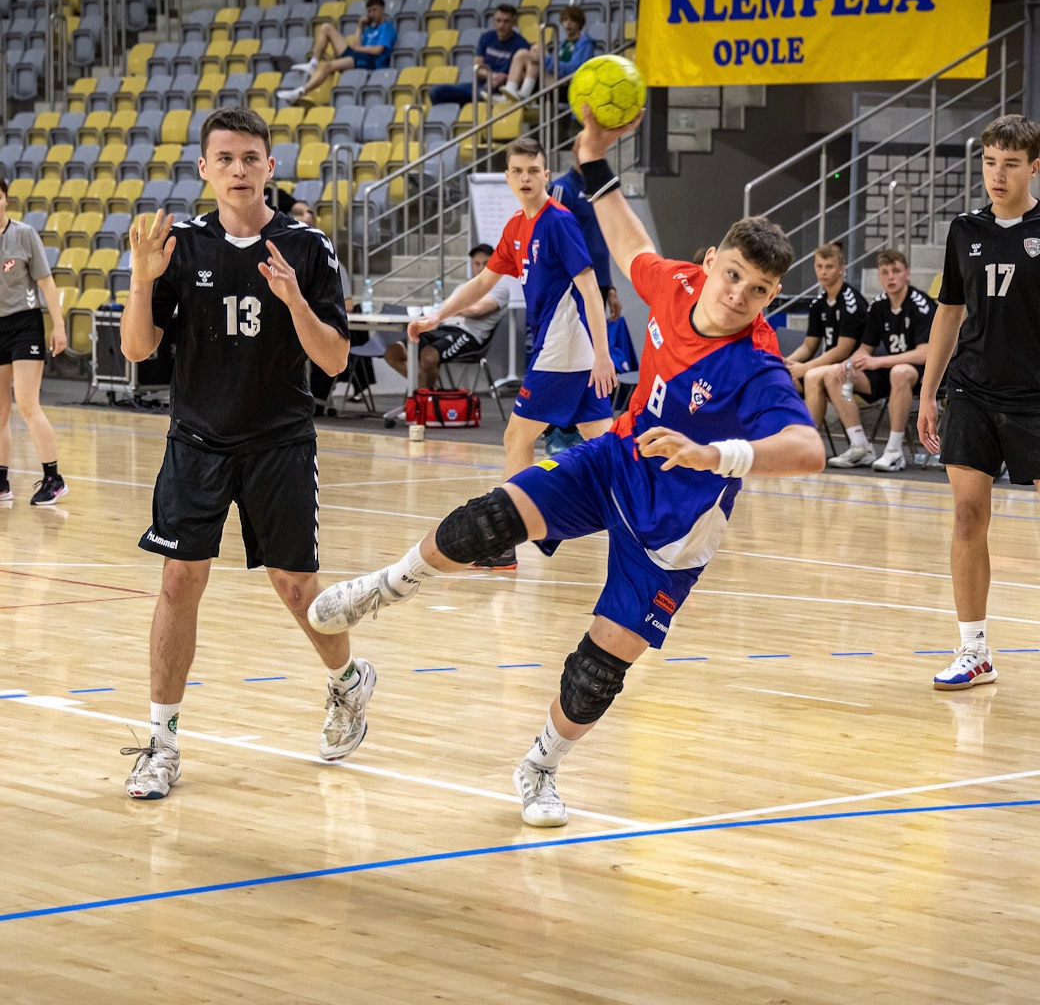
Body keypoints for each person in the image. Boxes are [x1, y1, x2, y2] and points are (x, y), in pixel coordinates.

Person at [305, 108, 825, 828]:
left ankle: (540, 765)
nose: (739, 295)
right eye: (733, 275)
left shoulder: (757, 365)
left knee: (599, 668)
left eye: (758, 289)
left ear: (771, 298)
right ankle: (384, 588)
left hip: (675, 527)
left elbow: (810, 451)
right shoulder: (674, 285)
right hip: (616, 460)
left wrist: (716, 456)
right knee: (488, 521)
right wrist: (591, 156)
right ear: (710, 262)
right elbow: (627, 237)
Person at [118, 107, 368, 800]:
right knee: (178, 582)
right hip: (196, 440)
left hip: (279, 442)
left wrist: (292, 300)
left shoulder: (308, 248)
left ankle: (348, 683)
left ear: (270, 166)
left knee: (295, 589)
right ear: (204, 169)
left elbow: (337, 360)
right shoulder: (181, 247)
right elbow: (138, 351)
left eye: (249, 157)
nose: (237, 169)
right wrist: (141, 279)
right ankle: (161, 744)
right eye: (224, 158)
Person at [407, 135, 615, 569]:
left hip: (565, 346)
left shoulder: (558, 221)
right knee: (607, 444)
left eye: (533, 170)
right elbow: (482, 283)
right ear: (507, 177)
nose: (525, 177)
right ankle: (647, 521)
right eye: (517, 171)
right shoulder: (516, 227)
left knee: (516, 437)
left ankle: (504, 541)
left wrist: (602, 353)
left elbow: (589, 287)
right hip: (565, 348)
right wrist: (437, 316)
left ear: (545, 173)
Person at [918, 113, 1040, 690]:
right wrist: (928, 391)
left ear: (1033, 167)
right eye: (990, 161)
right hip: (971, 390)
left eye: (1010, 164)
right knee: (968, 515)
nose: (997, 174)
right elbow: (949, 312)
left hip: (1036, 397)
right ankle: (975, 651)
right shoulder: (964, 229)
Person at [543, 140, 624, 453]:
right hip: (574, 287)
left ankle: (582, 428)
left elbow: (602, 244)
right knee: (573, 356)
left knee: (593, 357)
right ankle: (558, 431)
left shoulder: (599, 189)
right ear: (576, 150)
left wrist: (611, 287)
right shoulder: (562, 188)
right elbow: (554, 236)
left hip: (599, 285)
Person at [823, 248, 935, 472]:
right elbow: (865, 349)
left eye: (896, 271)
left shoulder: (920, 304)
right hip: (890, 370)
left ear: (907, 274)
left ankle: (894, 452)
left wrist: (879, 362)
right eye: (885, 272)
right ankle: (860, 447)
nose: (890, 277)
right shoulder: (878, 306)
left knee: (900, 372)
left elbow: (925, 353)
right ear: (879, 277)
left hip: (925, 374)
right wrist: (850, 363)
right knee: (832, 373)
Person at [0, 177, 69, 506]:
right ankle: (2, 482)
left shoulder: (24, 234)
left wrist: (58, 325)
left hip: (25, 324)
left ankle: (54, 478)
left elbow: (47, 283)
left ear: (6, 200)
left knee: (27, 404)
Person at [384, 243, 509, 391]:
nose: (480, 268)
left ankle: (426, 400)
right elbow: (443, 306)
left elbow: (477, 310)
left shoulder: (500, 288)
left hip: (469, 335)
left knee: (428, 357)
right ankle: (424, 390)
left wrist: (452, 309)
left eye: (485, 263)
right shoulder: (463, 287)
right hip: (444, 329)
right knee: (392, 352)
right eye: (477, 263)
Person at [786, 242, 868, 427]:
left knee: (811, 375)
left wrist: (805, 367)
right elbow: (809, 345)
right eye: (819, 266)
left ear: (841, 269)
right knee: (781, 375)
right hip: (827, 364)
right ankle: (789, 433)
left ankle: (810, 441)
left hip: (854, 366)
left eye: (829, 267)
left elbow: (842, 350)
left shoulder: (851, 301)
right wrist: (788, 362)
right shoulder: (818, 304)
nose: (823, 272)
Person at [277, 0, 397, 106]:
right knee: (326, 28)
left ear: (382, 9)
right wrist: (360, 27)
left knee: (327, 65)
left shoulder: (387, 28)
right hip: (358, 55)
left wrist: (358, 49)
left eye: (374, 10)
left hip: (372, 61)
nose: (371, 14)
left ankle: (300, 92)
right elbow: (356, 45)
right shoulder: (370, 29)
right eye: (369, 11)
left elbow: (378, 50)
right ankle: (313, 63)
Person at [430, 5, 529, 106]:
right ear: (494, 21)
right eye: (498, 21)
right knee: (436, 91)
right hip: (480, 85)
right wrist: (493, 76)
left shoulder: (521, 44)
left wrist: (503, 79)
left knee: (480, 95)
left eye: (506, 21)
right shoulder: (486, 37)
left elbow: (523, 76)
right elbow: (477, 68)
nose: (501, 25)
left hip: (501, 90)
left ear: (514, 23)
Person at [499, 5, 596, 103]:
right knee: (523, 53)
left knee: (537, 58)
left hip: (568, 86)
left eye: (572, 20)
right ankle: (510, 90)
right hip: (554, 81)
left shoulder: (585, 44)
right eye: (565, 20)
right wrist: (543, 59)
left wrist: (544, 60)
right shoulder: (563, 44)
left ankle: (524, 95)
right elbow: (553, 62)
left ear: (580, 23)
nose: (568, 23)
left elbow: (574, 70)